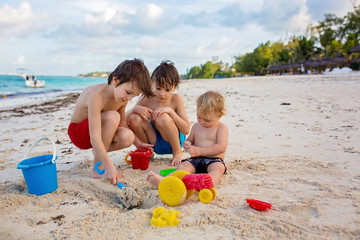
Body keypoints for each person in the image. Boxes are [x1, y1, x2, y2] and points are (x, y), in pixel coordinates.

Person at [68, 58, 154, 185]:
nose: (129, 99)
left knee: (128, 136)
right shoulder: (97, 96)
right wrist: (110, 167)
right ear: (115, 80)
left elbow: (123, 124)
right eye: (128, 92)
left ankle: (99, 152)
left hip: (98, 132)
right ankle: (98, 167)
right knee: (113, 116)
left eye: (133, 96)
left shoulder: (122, 98)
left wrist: (137, 143)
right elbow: (94, 136)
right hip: (79, 133)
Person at [147, 91, 228, 187]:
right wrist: (187, 144)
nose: (202, 122)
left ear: (219, 116)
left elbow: (221, 147)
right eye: (199, 117)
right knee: (183, 166)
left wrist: (201, 151)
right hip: (196, 159)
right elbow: (190, 140)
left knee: (218, 168)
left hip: (214, 160)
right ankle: (165, 181)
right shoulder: (196, 126)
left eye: (207, 120)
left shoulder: (221, 128)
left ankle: (208, 183)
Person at [126, 60, 190, 166]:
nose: (162, 94)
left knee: (162, 117)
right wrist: (135, 108)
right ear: (151, 84)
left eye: (167, 90)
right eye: (158, 88)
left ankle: (178, 152)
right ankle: (147, 151)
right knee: (134, 118)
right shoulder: (146, 98)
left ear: (174, 87)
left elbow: (186, 129)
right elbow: (125, 120)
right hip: (154, 142)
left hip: (173, 142)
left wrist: (170, 112)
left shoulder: (176, 99)